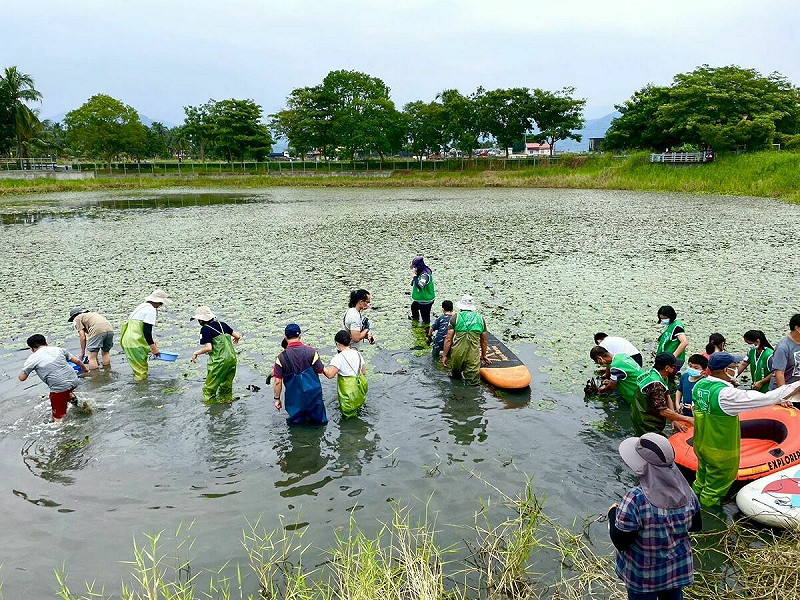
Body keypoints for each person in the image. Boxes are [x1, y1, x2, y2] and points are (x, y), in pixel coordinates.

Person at [692, 352, 800, 507]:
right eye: (734, 366)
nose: (737, 368)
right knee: (713, 491)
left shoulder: (700, 385)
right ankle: (708, 519)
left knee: (700, 480)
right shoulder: (726, 395)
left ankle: (691, 505)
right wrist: (796, 386)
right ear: (725, 370)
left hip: (701, 445)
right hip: (721, 452)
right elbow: (767, 398)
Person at [609, 433, 701, 600]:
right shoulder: (687, 492)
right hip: (676, 570)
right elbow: (695, 526)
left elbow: (620, 542)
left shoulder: (635, 499)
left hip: (644, 576)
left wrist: (612, 514)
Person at [18, 334, 88, 421]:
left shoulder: (32, 359)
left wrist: (26, 370)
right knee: (66, 392)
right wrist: (85, 369)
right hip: (74, 380)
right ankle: (80, 405)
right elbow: (77, 361)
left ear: (31, 348)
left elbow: (22, 378)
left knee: (58, 417)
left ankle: (58, 426)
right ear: (46, 343)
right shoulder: (58, 349)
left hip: (59, 387)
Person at [272, 324, 327, 425]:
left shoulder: (280, 358)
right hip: (313, 396)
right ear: (300, 336)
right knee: (319, 424)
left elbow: (277, 381)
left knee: (297, 425)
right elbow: (320, 370)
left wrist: (277, 399)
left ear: (285, 337)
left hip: (294, 399)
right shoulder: (312, 352)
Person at [632, 353, 694, 436]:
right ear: (667, 368)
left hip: (645, 411)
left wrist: (674, 419)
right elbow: (663, 411)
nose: (676, 368)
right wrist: (688, 419)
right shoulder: (656, 384)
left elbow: (667, 395)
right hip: (646, 421)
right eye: (673, 366)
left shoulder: (660, 375)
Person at [190, 306, 242, 403]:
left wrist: (196, 352)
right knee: (226, 384)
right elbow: (237, 336)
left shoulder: (205, 329)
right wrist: (237, 339)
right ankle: (227, 400)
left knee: (209, 388)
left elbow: (208, 348)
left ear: (201, 320)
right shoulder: (222, 324)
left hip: (219, 361)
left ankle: (210, 407)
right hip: (231, 359)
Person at [119, 289, 171, 380]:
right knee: (141, 372)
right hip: (135, 342)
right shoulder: (151, 309)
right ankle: (141, 391)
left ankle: (140, 389)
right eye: (160, 304)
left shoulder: (142, 306)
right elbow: (147, 331)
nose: (160, 306)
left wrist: (151, 342)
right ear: (157, 302)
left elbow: (141, 328)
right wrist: (153, 348)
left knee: (137, 369)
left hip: (128, 340)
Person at [441, 294, 490, 386]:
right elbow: (483, 340)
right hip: (473, 354)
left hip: (457, 353)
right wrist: (484, 355)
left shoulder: (455, 318)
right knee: (473, 382)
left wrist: (444, 356)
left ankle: (456, 396)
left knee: (455, 378)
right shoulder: (480, 319)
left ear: (461, 306)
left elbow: (448, 339)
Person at [323, 330, 368, 418]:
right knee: (358, 410)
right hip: (358, 390)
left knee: (347, 415)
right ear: (349, 341)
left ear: (337, 343)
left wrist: (320, 365)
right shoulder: (358, 354)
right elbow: (363, 372)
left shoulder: (338, 358)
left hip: (347, 392)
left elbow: (330, 375)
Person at [770, 314, 800, 390]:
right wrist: (784, 398)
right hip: (784, 391)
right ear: (798, 329)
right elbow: (779, 373)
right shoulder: (783, 347)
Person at [410, 256, 435, 325]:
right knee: (413, 307)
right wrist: (414, 278)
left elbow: (420, 286)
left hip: (426, 301)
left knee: (425, 318)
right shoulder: (419, 273)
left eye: (415, 267)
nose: (414, 269)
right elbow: (413, 284)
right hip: (419, 299)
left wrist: (415, 277)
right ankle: (415, 321)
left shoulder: (425, 275)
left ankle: (427, 331)